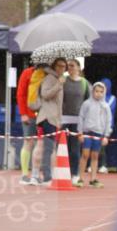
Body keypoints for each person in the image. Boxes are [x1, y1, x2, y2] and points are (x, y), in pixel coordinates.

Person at [35, 57, 67, 185]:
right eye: (59, 65)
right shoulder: (50, 78)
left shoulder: (57, 79)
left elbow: (58, 104)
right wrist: (59, 84)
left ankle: (48, 175)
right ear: (54, 66)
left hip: (54, 118)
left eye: (64, 66)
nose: (61, 68)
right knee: (48, 149)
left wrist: (59, 119)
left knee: (51, 148)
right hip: (47, 118)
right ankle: (46, 177)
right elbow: (45, 94)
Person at [76, 82, 112, 188]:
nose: (99, 94)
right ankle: (80, 178)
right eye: (96, 91)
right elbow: (81, 117)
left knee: (95, 156)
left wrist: (106, 136)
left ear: (104, 92)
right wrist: (80, 133)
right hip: (87, 133)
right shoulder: (86, 104)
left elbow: (108, 121)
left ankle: (93, 179)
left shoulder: (106, 106)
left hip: (99, 134)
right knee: (85, 155)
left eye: (101, 92)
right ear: (93, 91)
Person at [61, 59, 90, 183]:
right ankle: (62, 173)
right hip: (63, 119)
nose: (70, 68)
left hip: (78, 120)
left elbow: (88, 102)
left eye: (72, 66)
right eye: (68, 66)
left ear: (79, 67)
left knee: (75, 149)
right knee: (62, 148)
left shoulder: (84, 83)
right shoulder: (63, 81)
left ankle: (75, 174)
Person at [16, 62, 41, 185]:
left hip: (43, 114)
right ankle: (25, 174)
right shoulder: (27, 73)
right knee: (28, 142)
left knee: (41, 144)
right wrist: (23, 113)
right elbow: (21, 94)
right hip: (29, 114)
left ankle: (36, 174)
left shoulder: (49, 74)